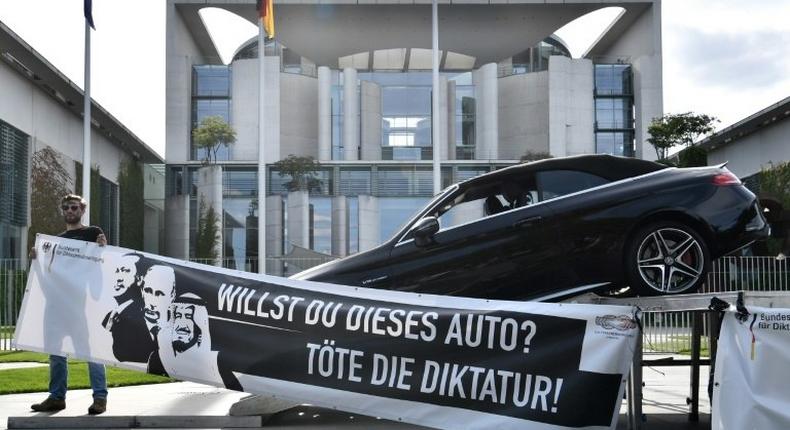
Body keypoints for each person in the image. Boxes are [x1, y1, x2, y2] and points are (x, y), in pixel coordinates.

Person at [30, 194, 109, 415]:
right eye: (66, 207)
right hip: (57, 305)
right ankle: (56, 397)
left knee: (90, 352)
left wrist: (103, 248)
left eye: (74, 207)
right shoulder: (56, 241)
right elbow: (51, 273)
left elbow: (102, 263)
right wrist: (37, 259)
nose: (70, 211)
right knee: (56, 354)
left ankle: (100, 398)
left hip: (81, 304)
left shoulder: (93, 233)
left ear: (82, 210)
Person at [101, 253, 155, 363]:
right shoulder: (111, 315)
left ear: (139, 279)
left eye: (125, 271)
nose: (118, 278)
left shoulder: (141, 316)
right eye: (116, 271)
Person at [140, 264, 176, 376]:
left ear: (172, 295)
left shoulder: (178, 331)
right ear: (141, 290)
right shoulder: (126, 326)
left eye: (159, 294)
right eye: (148, 291)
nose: (152, 301)